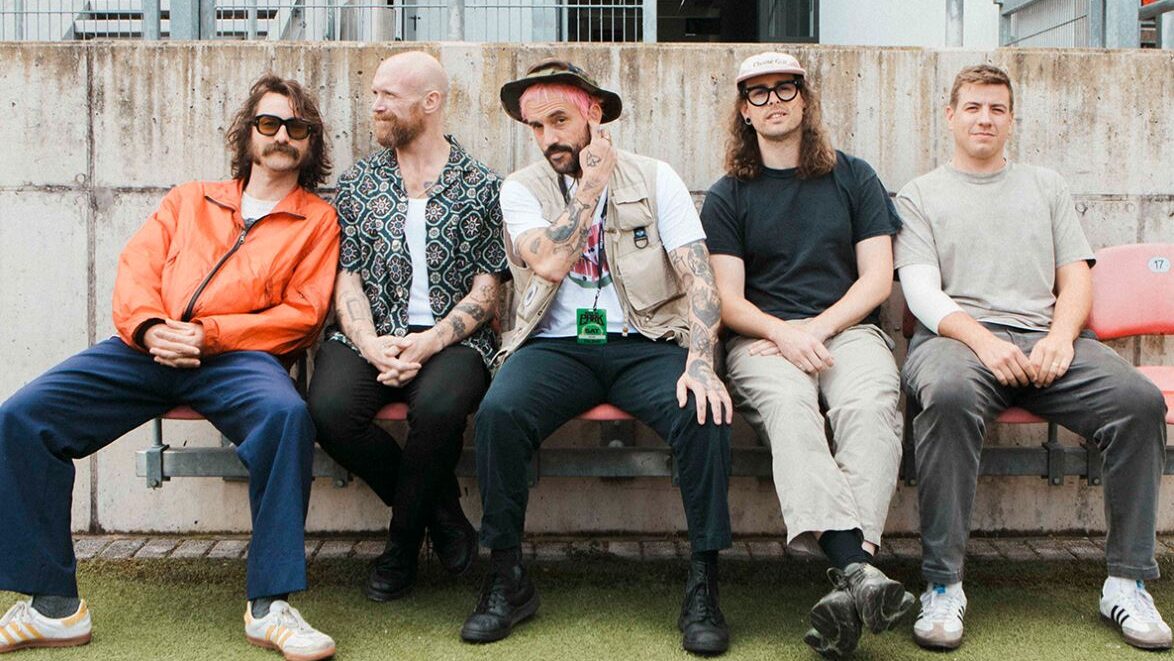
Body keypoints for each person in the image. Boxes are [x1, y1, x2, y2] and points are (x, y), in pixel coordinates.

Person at [0, 75, 340, 659]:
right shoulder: (190, 199)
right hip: (146, 348)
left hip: (239, 357)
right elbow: (138, 268)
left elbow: (303, 315)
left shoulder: (317, 220)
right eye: (269, 123)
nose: (282, 135)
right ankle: (52, 607)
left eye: (297, 127)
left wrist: (210, 335)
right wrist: (152, 329)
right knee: (22, 418)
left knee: (287, 418)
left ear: (311, 143)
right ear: (248, 134)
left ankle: (271, 607)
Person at [459, 60, 734, 655]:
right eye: (535, 126)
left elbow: (699, 278)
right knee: (500, 413)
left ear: (595, 113)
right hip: (555, 346)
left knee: (703, 410)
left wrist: (701, 361)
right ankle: (506, 577)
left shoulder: (656, 178)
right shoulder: (520, 188)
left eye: (559, 120)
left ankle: (704, 584)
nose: (548, 137)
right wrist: (589, 186)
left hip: (645, 340)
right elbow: (549, 261)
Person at [895, 63, 1171, 652]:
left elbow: (1077, 279)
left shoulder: (1046, 187)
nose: (985, 119)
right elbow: (921, 292)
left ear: (1012, 120)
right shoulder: (920, 194)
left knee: (1139, 401)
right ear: (950, 115)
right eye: (973, 107)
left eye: (997, 109)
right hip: (956, 343)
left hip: (1047, 341)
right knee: (947, 395)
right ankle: (943, 585)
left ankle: (1126, 584)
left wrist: (1062, 339)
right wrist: (985, 342)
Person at [701, 51, 912, 658]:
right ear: (744, 110)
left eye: (784, 89)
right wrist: (786, 334)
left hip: (847, 330)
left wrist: (817, 328)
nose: (773, 101)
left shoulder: (854, 177)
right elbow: (729, 302)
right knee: (792, 411)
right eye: (758, 93)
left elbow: (877, 279)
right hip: (763, 340)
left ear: (804, 98)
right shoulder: (727, 195)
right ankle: (860, 570)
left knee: (870, 405)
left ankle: (851, 580)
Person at [306, 52, 506, 602]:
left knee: (439, 409)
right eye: (374, 94)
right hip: (369, 333)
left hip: (454, 340)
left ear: (430, 102)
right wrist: (370, 343)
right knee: (329, 411)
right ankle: (443, 517)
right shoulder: (359, 183)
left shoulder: (482, 185)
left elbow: (487, 290)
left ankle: (400, 547)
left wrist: (430, 341)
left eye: (388, 95)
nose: (375, 105)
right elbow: (347, 278)